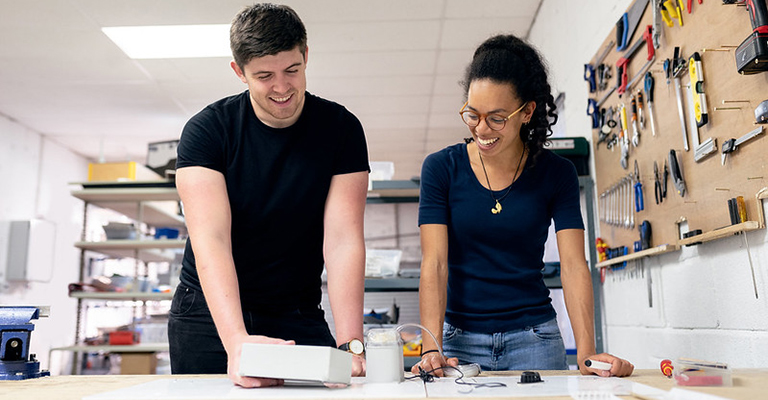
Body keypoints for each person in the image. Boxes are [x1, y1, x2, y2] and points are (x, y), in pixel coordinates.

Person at [169, 3, 369, 387]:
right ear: (239, 72)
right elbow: (211, 239)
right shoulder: (207, 132)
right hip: (210, 316)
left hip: (294, 309)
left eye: (292, 70)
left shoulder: (341, 130)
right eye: (264, 76)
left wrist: (350, 343)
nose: (282, 87)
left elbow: (343, 239)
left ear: (306, 56)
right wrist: (237, 342)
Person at [412, 34, 634, 377]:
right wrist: (431, 347)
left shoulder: (556, 173)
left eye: (497, 118)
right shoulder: (441, 168)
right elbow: (435, 263)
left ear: (527, 111)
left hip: (535, 340)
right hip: (458, 343)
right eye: (472, 114)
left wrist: (587, 352)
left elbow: (574, 265)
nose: (481, 129)